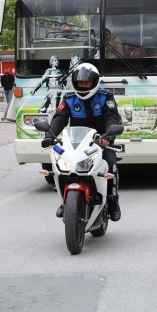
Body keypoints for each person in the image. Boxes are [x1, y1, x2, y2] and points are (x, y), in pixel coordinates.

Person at [41, 63, 123, 222]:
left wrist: (109, 136)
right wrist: (49, 135)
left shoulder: (105, 96)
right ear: (75, 82)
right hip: (76, 143)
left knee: (111, 162)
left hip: (100, 142)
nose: (83, 86)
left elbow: (111, 117)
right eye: (80, 83)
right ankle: (65, 202)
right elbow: (60, 118)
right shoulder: (70, 98)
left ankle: (113, 200)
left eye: (87, 82)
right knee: (60, 164)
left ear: (94, 82)